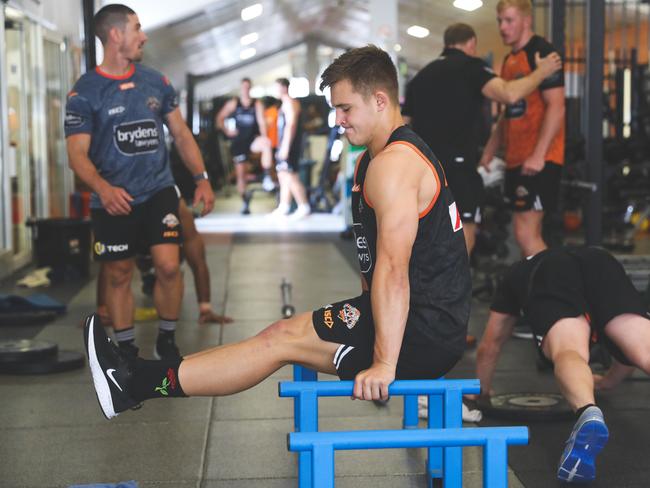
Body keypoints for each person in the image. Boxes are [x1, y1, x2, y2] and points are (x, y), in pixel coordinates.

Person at [82, 46, 471, 423]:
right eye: (336, 108)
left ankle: (133, 383)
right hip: (410, 316)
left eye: (346, 108)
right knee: (280, 335)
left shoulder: (394, 165)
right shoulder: (378, 158)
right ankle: (136, 377)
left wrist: (385, 363)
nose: (338, 119)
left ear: (381, 101)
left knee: (278, 341)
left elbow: (392, 269)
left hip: (423, 331)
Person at [66, 4, 214, 360]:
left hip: (159, 192)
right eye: (137, 28)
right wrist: (103, 189)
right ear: (116, 35)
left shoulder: (156, 81)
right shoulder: (85, 92)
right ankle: (128, 349)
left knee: (167, 265)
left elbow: (180, 134)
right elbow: (77, 155)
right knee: (118, 274)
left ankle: (166, 339)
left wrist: (202, 179)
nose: (143, 35)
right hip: (113, 198)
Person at [474, 246, 650, 482]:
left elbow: (490, 345)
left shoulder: (516, 272)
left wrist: (480, 390)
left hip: (552, 272)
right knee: (643, 347)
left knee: (569, 348)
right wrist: (610, 380)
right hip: (601, 261)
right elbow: (627, 353)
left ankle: (588, 412)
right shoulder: (580, 256)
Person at [403, 22, 562, 256]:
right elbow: (509, 94)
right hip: (457, 171)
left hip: (422, 171)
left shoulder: (419, 78)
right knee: (462, 242)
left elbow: (404, 126)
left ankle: (429, 292)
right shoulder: (471, 67)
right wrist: (542, 72)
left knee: (429, 238)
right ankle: (453, 293)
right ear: (471, 44)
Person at [478, 0, 565, 258]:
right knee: (522, 234)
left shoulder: (542, 53)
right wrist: (490, 150)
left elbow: (557, 107)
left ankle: (555, 295)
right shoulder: (509, 60)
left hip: (540, 159)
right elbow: (509, 110)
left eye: (509, 20)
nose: (503, 27)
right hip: (517, 158)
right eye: (500, 21)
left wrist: (539, 154)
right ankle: (541, 294)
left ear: (526, 20)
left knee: (526, 234)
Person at [216, 78, 274, 214]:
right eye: (244, 87)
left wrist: (264, 135)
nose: (246, 89)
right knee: (240, 175)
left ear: (250, 88)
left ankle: (267, 176)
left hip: (252, 140)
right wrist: (227, 131)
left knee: (266, 143)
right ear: (241, 88)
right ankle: (245, 202)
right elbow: (219, 118)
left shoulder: (256, 103)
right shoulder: (234, 103)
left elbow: (261, 122)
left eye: (248, 87)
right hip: (239, 142)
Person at [269, 78, 311, 219]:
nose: (275, 91)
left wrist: (285, 147)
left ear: (284, 88)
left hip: (290, 145)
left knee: (290, 175)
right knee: (282, 174)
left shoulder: (291, 103)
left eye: (276, 87)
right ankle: (284, 206)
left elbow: (291, 125)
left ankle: (303, 206)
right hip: (283, 144)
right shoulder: (283, 105)